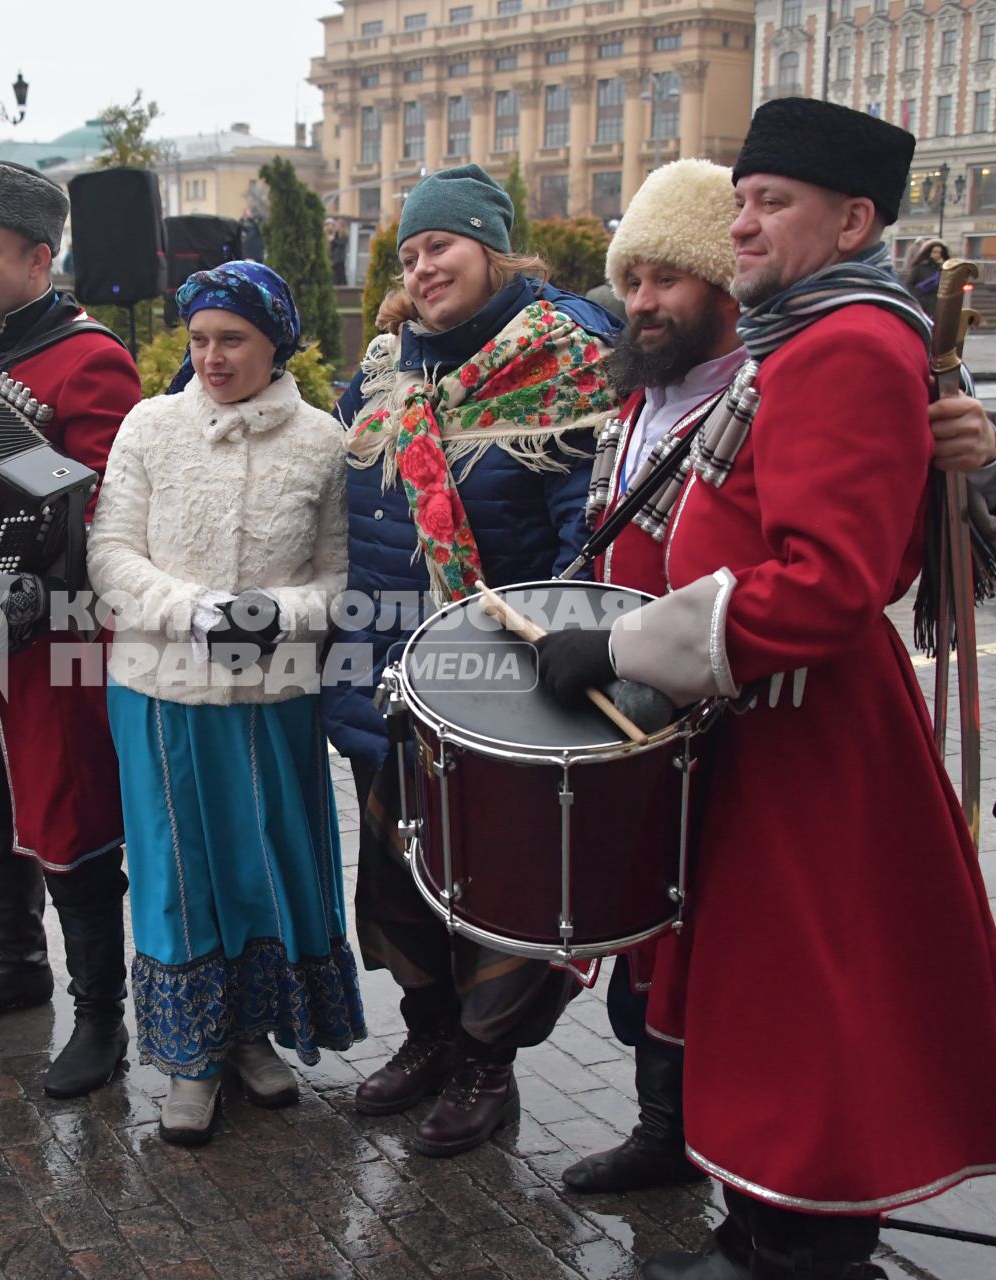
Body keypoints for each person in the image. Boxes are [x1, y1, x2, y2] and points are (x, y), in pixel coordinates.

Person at [534, 98, 996, 1280]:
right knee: (771, 1001)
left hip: (809, 734)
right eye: (742, 200)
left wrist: (623, 649)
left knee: (811, 1007)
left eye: (772, 204)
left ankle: (802, 1251)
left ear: (853, 218)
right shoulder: (801, 334)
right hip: (767, 720)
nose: (745, 223)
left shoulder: (846, 342)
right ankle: (762, 1225)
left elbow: (827, 583)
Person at [328, 163, 622, 1158]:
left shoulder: (566, 363)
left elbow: (588, 537)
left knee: (497, 887)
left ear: (492, 246)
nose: (423, 266)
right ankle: (428, 1038)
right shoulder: (386, 374)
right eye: (410, 253)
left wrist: (546, 654)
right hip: (391, 685)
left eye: (440, 245)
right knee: (401, 880)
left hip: (502, 692)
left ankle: (487, 1066)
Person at [87, 261, 365, 1146]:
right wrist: (195, 612)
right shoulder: (150, 426)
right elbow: (110, 554)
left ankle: (249, 1036)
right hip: (160, 693)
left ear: (275, 341)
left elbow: (341, 576)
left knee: (262, 869)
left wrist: (276, 617)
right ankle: (188, 1060)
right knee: (175, 873)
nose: (211, 356)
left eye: (232, 339)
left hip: (273, 699)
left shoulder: (325, 441)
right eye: (201, 339)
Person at [0, 160, 141, 1100]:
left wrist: (37, 585)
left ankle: (101, 1020)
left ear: (39, 257)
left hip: (55, 631)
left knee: (70, 814)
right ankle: (17, 964)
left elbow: (110, 504)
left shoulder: (88, 358)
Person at [903, 237, 947, 303]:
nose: (937, 255)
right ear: (929, 253)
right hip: (923, 303)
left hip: (938, 304)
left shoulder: (945, 269)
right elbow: (910, 285)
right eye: (935, 252)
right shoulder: (919, 267)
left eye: (939, 253)